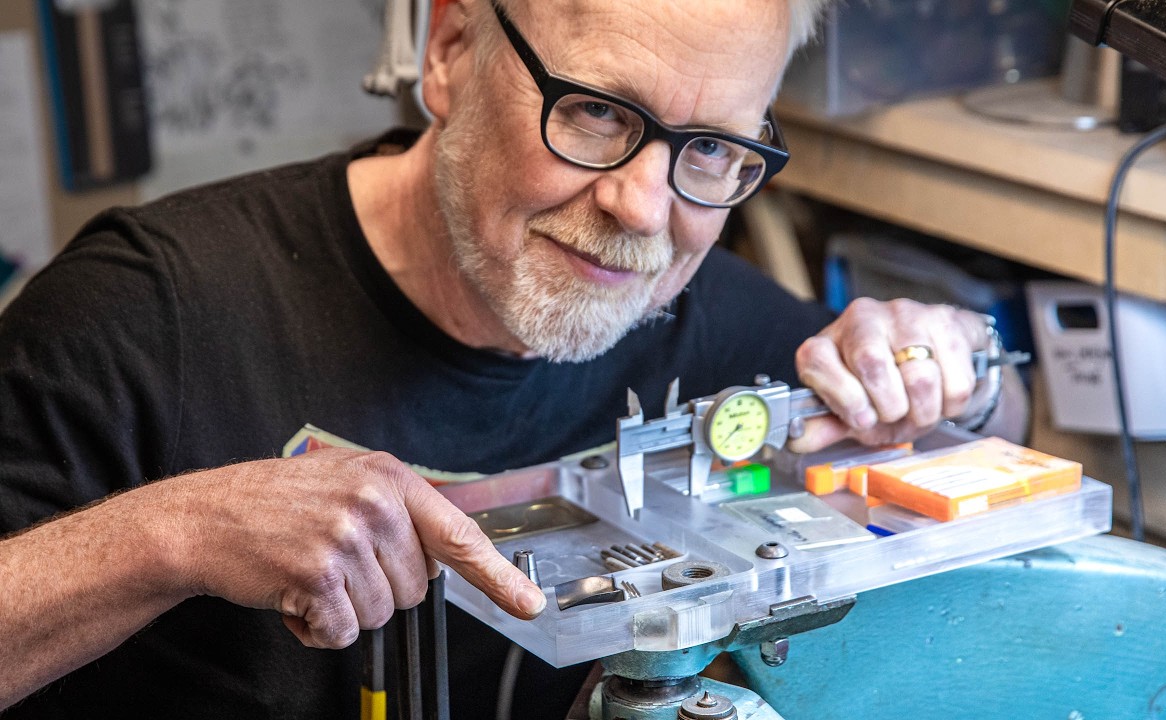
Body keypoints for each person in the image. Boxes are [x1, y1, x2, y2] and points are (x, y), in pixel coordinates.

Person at [0, 0, 1012, 717]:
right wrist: (166, 534)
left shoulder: (714, 328)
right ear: (447, 51)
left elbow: (983, 437)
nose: (643, 207)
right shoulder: (143, 314)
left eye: (708, 149)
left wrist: (957, 365)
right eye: (598, 112)